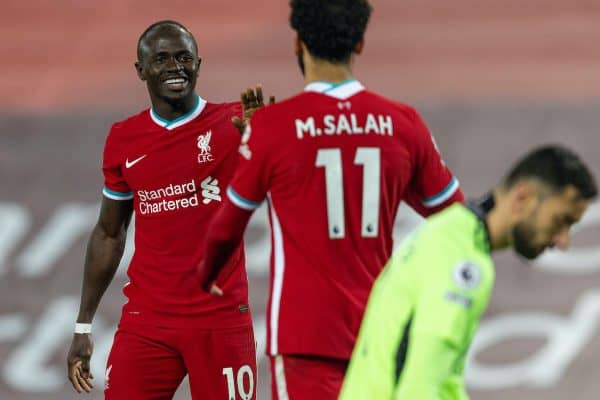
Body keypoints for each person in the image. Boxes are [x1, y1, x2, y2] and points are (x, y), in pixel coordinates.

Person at [199, 1, 464, 398]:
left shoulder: (274, 127)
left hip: (304, 338)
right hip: (381, 332)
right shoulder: (402, 123)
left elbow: (225, 228)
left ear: (297, 43)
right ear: (359, 44)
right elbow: (456, 219)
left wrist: (208, 274)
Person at [66, 20, 266, 399]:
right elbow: (109, 233)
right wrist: (83, 327)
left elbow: (292, 185)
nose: (175, 67)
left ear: (199, 65)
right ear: (141, 70)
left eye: (184, 58)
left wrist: (267, 146)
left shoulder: (237, 122)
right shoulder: (124, 139)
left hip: (220, 320)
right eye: (161, 59)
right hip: (148, 320)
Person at [339, 145, 597, 400]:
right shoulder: (463, 264)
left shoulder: (448, 232)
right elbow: (418, 388)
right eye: (561, 221)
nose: (564, 241)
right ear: (523, 199)